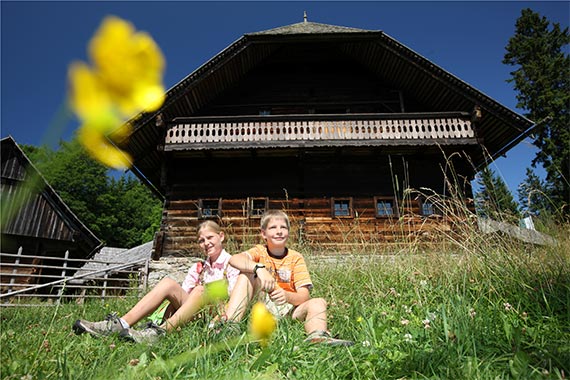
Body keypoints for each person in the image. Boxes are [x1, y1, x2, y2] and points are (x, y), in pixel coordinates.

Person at [73, 220, 239, 344]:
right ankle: (120, 324)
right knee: (168, 282)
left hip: (215, 317)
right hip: (193, 314)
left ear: (221, 236)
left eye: (210, 237)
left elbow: (234, 298)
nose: (206, 243)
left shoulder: (232, 263)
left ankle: (160, 333)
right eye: (201, 241)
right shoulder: (198, 267)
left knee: (201, 291)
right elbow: (184, 296)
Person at [221, 210, 353, 346]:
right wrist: (259, 268)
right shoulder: (259, 251)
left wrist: (286, 296)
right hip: (260, 305)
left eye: (283, 227)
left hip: (287, 310)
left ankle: (317, 336)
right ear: (263, 234)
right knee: (246, 273)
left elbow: (304, 295)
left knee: (318, 302)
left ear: (288, 232)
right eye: (273, 227)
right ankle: (230, 326)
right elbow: (234, 259)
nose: (279, 231)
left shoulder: (296, 257)